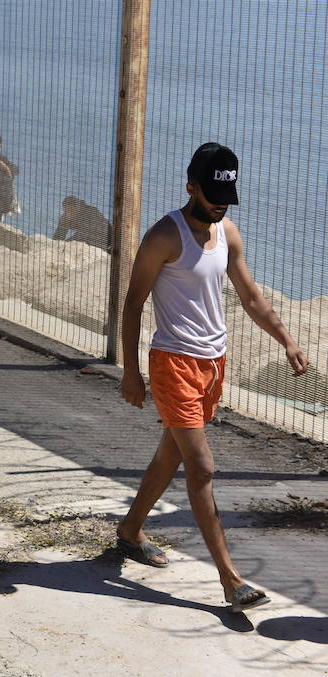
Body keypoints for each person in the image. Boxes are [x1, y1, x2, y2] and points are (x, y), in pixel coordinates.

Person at [116, 143, 306, 613]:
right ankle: (230, 579)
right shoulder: (165, 235)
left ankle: (130, 529)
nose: (220, 203)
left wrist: (286, 339)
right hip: (172, 363)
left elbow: (250, 297)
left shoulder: (227, 233)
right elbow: (134, 302)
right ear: (191, 186)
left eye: (227, 193)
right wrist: (130, 371)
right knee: (201, 467)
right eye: (212, 193)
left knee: (171, 456)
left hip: (214, 363)